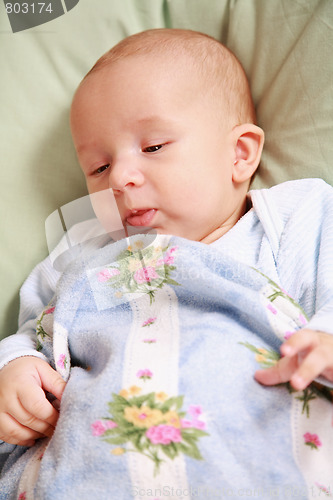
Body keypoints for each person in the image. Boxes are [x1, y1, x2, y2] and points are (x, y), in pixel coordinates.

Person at [0, 29, 333, 494]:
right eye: (97, 167)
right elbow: (33, 331)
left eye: (153, 147)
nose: (119, 177)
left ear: (240, 154)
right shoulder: (83, 250)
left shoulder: (289, 219)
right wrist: (13, 370)